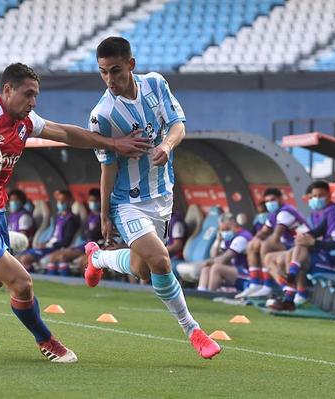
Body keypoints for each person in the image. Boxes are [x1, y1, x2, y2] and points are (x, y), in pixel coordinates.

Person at [0, 62, 151, 363]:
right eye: (28, 94)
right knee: (21, 283)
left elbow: (65, 133)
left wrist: (113, 143)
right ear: (7, 90)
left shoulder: (25, 121)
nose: (33, 102)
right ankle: (47, 341)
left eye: (36, 96)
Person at [81, 37, 220, 359]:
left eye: (115, 71)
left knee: (144, 270)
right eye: (103, 73)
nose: (110, 80)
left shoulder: (156, 84)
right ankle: (194, 331)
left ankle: (98, 259)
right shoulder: (102, 115)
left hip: (162, 195)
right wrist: (104, 216)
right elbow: (107, 169)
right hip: (126, 201)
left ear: (131, 65)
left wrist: (167, 146)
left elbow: (178, 125)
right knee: (160, 261)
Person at [269, 187, 335, 311]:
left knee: (298, 258)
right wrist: (304, 237)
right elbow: (317, 231)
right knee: (299, 248)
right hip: (323, 257)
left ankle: (291, 295)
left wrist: (314, 243)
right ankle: (291, 286)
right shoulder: (334, 217)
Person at [265, 180, 335, 305]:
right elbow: (314, 233)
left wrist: (311, 241)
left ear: (329, 195)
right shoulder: (316, 213)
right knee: (271, 258)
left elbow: (329, 238)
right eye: (314, 197)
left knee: (293, 254)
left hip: (327, 257)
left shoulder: (332, 211)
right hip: (313, 251)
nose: (316, 199)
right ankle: (289, 289)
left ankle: (295, 294)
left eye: (320, 195)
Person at [235, 187, 308, 299]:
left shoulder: (286, 211)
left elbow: (276, 237)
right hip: (289, 246)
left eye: (272, 200)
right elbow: (263, 232)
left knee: (266, 245)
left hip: (300, 246)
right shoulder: (273, 214)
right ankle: (256, 284)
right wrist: (255, 240)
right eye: (267, 201)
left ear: (280, 199)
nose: (270, 203)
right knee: (252, 245)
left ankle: (267, 285)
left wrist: (261, 242)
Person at [17, 189, 80, 272]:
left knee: (25, 259)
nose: (60, 203)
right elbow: (53, 236)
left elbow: (66, 241)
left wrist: (49, 245)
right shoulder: (58, 217)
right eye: (59, 201)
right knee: (18, 257)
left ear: (69, 201)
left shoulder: (71, 219)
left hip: (56, 248)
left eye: (63, 201)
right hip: (49, 246)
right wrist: (45, 243)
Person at [45, 188, 104, 276]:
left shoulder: (104, 218)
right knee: (53, 257)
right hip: (85, 245)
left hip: (97, 247)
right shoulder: (90, 216)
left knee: (64, 257)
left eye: (95, 201)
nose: (92, 203)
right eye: (91, 201)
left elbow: (98, 236)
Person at [197, 213, 252, 292]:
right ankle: (201, 293)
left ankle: (210, 294)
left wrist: (209, 262)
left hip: (247, 273)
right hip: (235, 272)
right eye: (221, 230)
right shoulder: (227, 238)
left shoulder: (242, 237)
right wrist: (218, 240)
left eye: (226, 229)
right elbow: (214, 255)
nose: (224, 232)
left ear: (233, 224)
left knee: (216, 268)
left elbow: (222, 260)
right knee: (206, 268)